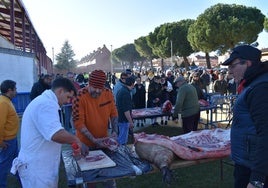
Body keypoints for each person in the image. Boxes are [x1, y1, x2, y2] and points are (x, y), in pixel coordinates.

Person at [11, 77, 87, 188]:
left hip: (40, 165)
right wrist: (76, 140)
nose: (68, 101)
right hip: (37, 169)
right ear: (60, 91)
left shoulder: (46, 102)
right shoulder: (46, 104)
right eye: (68, 97)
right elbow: (55, 134)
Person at [222, 45, 268, 188]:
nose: (229, 71)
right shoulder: (254, 83)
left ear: (247, 63)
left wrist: (257, 179)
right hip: (247, 162)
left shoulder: (260, 88)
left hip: (253, 167)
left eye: (232, 66)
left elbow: (266, 133)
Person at [72, 69, 118, 188]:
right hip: (85, 145)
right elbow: (78, 123)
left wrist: (114, 131)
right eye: (94, 87)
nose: (97, 91)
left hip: (104, 142)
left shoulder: (108, 93)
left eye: (100, 88)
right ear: (89, 84)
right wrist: (93, 140)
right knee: (89, 179)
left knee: (109, 177)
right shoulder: (80, 96)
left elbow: (114, 114)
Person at [0, 80, 20, 188]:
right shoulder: (3, 102)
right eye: (15, 89)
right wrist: (0, 142)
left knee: (16, 161)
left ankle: (21, 179)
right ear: (9, 90)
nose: (16, 91)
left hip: (12, 139)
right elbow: (0, 124)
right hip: (7, 141)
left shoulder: (7, 100)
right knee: (3, 164)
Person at [116, 76, 135, 145]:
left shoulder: (122, 90)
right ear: (132, 84)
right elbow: (126, 110)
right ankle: (121, 154)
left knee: (121, 137)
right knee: (122, 141)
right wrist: (131, 122)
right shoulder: (125, 93)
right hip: (123, 120)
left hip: (120, 118)